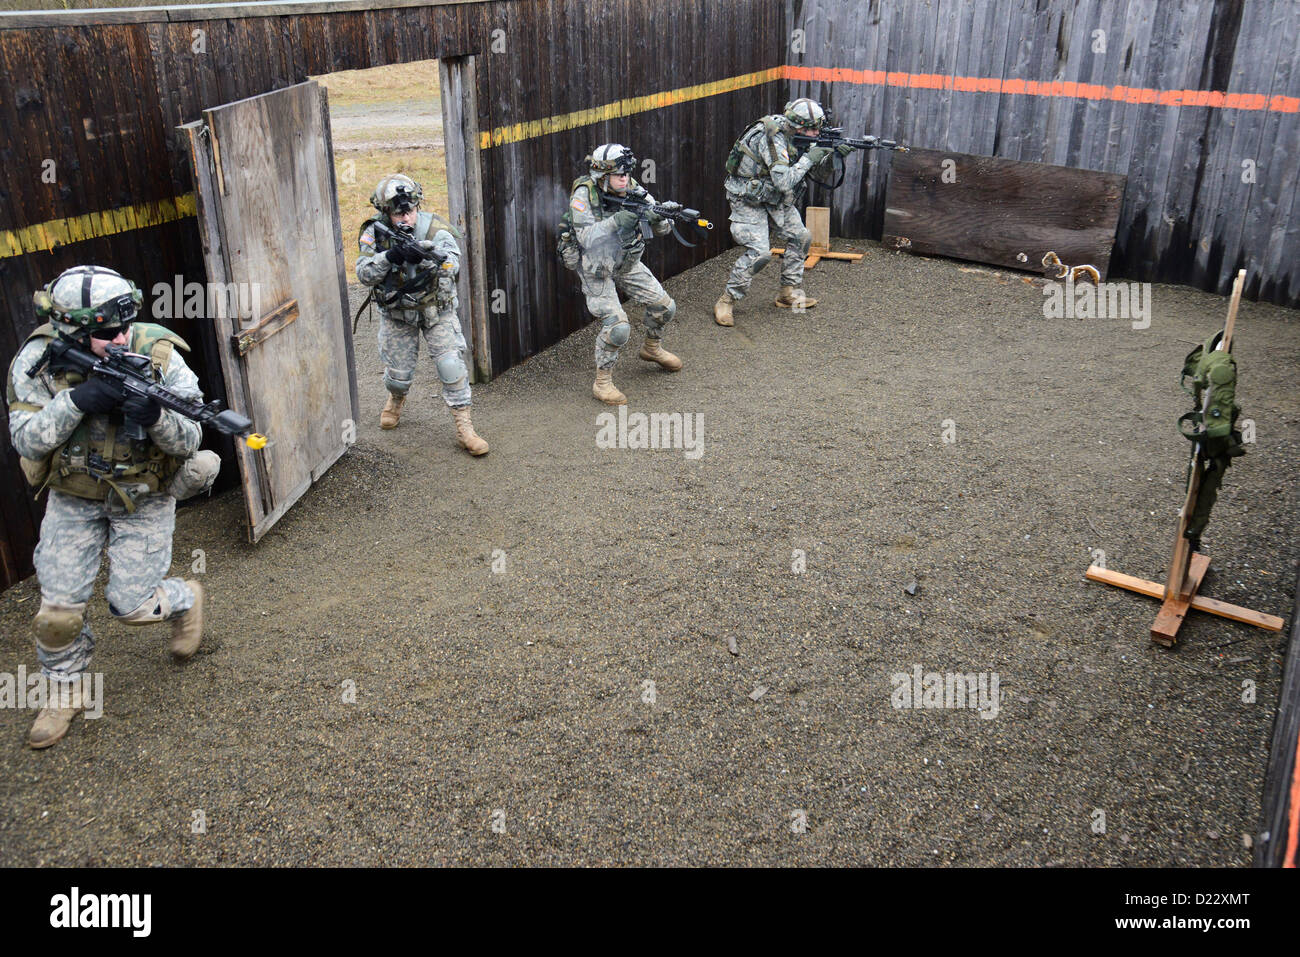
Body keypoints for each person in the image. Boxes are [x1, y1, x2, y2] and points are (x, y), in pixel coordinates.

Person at [6, 265, 218, 749]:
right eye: (105, 334)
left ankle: (184, 597)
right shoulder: (38, 360)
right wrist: (77, 400)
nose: (121, 338)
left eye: (125, 326)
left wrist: (157, 417)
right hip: (74, 495)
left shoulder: (158, 354)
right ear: (71, 331)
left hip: (143, 494)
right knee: (56, 614)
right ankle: (66, 690)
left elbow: (192, 436)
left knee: (133, 606)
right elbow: (27, 440)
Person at [356, 174, 488, 455]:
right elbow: (364, 274)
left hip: (435, 311)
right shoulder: (374, 232)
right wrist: (390, 257)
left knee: (452, 368)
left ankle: (465, 427)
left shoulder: (435, 228)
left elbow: (453, 264)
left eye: (410, 211)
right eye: (398, 213)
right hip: (397, 314)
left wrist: (430, 258)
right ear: (385, 212)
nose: (406, 217)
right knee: (398, 375)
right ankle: (395, 398)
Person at [714, 97, 853, 326]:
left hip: (774, 197)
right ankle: (727, 300)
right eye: (812, 130)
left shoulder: (798, 136)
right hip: (748, 197)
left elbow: (817, 175)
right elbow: (784, 181)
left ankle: (787, 292)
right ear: (798, 126)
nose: (815, 134)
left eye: (818, 129)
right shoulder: (772, 137)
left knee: (801, 237)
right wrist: (810, 158)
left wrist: (833, 157)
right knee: (760, 254)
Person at [562, 144, 681, 405]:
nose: (625, 179)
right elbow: (585, 237)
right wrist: (618, 221)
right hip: (596, 267)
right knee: (618, 327)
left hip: (625, 261)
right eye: (619, 175)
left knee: (665, 307)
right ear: (602, 176)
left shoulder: (633, 188)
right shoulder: (584, 195)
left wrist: (659, 218)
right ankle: (602, 383)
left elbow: (663, 229)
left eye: (627, 174)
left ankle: (652, 348)